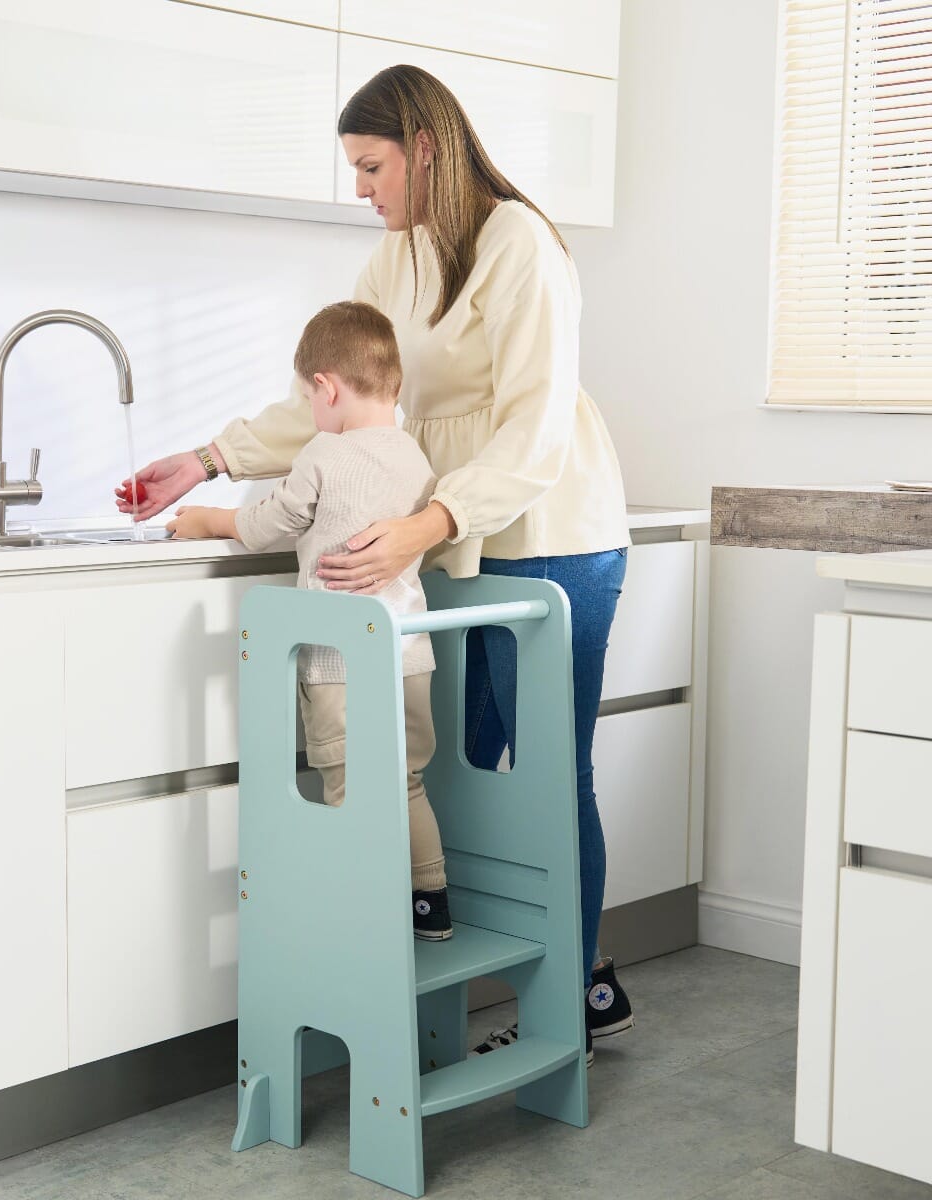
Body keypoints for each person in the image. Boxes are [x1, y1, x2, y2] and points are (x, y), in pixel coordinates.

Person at [117, 64, 635, 1056]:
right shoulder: (394, 261)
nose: (361, 189)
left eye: (370, 166)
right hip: (451, 527)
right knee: (472, 777)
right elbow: (340, 399)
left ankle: (574, 991)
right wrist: (206, 459)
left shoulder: (520, 244)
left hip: (550, 534)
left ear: (424, 150)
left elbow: (533, 433)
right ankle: (513, 980)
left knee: (541, 776)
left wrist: (422, 524)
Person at [161, 299, 454, 941]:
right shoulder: (416, 459)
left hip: (336, 661)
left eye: (308, 396)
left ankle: (360, 921)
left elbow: (269, 524)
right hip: (409, 656)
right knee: (405, 782)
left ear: (325, 389)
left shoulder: (324, 454)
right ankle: (430, 905)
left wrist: (211, 519)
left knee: (347, 786)